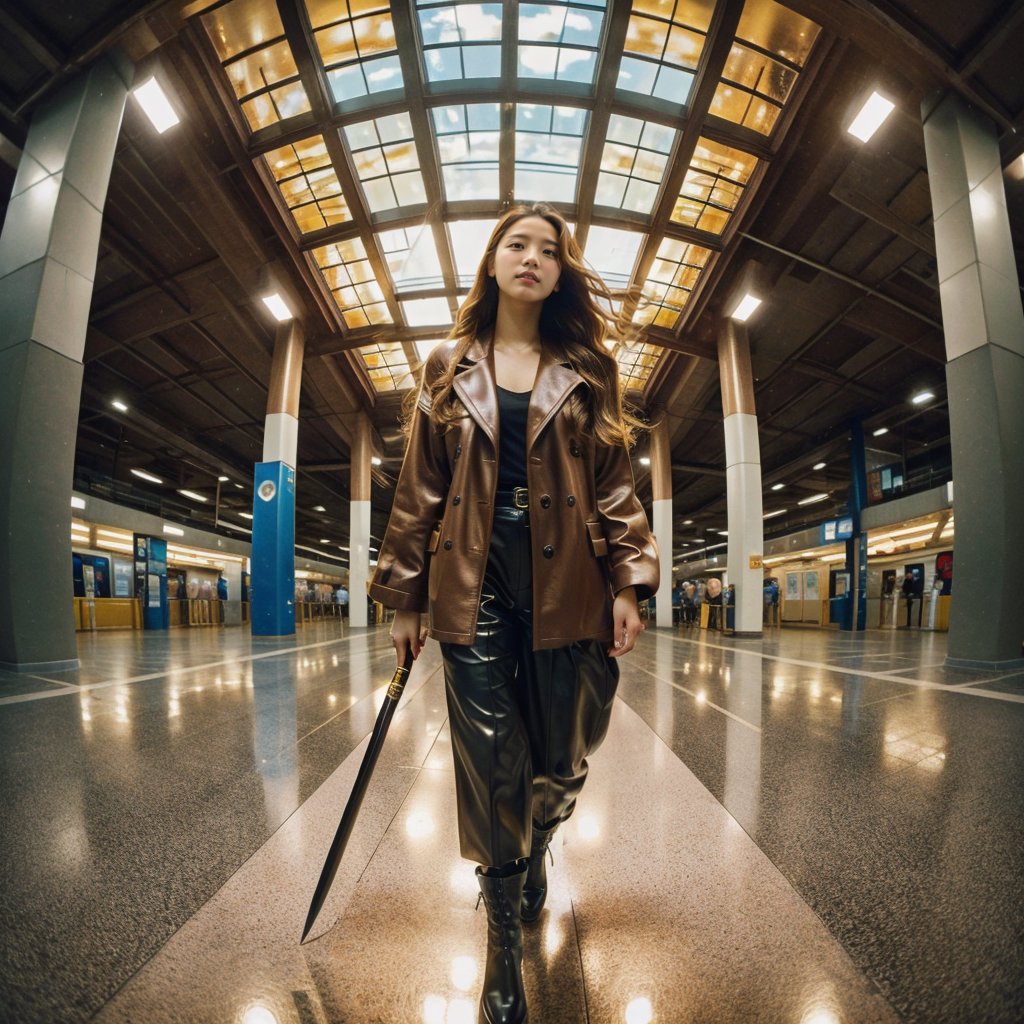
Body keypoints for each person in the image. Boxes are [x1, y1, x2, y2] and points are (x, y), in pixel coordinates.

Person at [369, 204, 659, 1024]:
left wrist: (628, 584)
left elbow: (614, 487)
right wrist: (406, 595)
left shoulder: (588, 369)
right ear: (492, 262)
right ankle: (502, 946)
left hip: (571, 585)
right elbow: (417, 490)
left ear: (561, 273)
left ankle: (539, 846)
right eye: (515, 243)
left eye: (548, 249)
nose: (531, 257)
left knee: (561, 765)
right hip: (473, 588)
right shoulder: (446, 367)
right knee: (494, 763)